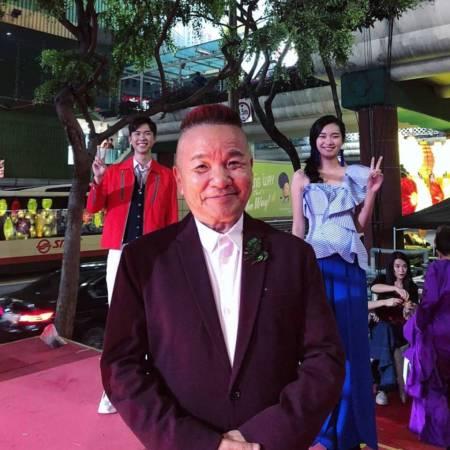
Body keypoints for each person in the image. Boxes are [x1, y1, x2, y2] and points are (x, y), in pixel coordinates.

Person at [100, 104, 346, 450]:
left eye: (233, 163)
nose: (220, 180)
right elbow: (121, 367)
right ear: (179, 180)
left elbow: (325, 358)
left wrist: (265, 436)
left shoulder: (294, 256)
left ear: (250, 168)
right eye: (201, 167)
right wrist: (196, 442)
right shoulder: (144, 260)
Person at [291, 115, 383, 450]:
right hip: (317, 267)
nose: (328, 141)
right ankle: (324, 426)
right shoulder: (301, 177)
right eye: (322, 136)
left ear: (342, 140)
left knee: (353, 348)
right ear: (314, 140)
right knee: (321, 346)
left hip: (350, 267)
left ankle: (351, 428)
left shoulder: (354, 175)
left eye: (334, 136)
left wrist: (371, 193)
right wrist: (294, 271)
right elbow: (298, 228)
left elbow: (359, 226)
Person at [86, 116, 178, 414]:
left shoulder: (166, 176)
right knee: (119, 318)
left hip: (151, 255)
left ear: (154, 139)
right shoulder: (114, 172)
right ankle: (112, 388)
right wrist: (97, 181)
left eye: (147, 133)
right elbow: (93, 207)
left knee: (153, 316)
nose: (142, 138)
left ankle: (151, 381)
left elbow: (171, 219)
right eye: (137, 133)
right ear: (130, 139)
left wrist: (168, 256)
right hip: (120, 252)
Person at [404, 225, 450, 449]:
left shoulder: (436, 268)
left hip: (439, 336)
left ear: (437, 248)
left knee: (436, 387)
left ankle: (441, 435)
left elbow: (429, 302)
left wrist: (417, 323)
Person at [368, 251, 419, 406]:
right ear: (392, 267)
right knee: (385, 330)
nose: (401, 270)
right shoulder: (383, 280)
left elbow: (412, 312)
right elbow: (374, 287)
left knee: (388, 332)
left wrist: (408, 309)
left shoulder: (411, 286)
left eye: (404, 266)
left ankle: (383, 387)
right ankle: (385, 386)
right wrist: (394, 291)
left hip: (400, 328)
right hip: (382, 326)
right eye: (397, 266)